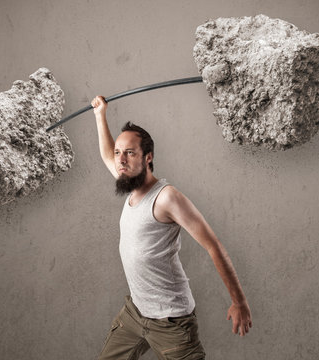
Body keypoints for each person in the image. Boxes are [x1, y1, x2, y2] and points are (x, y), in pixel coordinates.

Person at [91, 95, 252, 360]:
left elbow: (213, 245)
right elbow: (108, 155)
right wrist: (100, 115)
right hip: (135, 313)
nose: (121, 160)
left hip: (170, 320)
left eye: (130, 153)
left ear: (148, 157)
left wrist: (239, 302)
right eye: (120, 153)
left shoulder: (166, 198)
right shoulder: (129, 181)